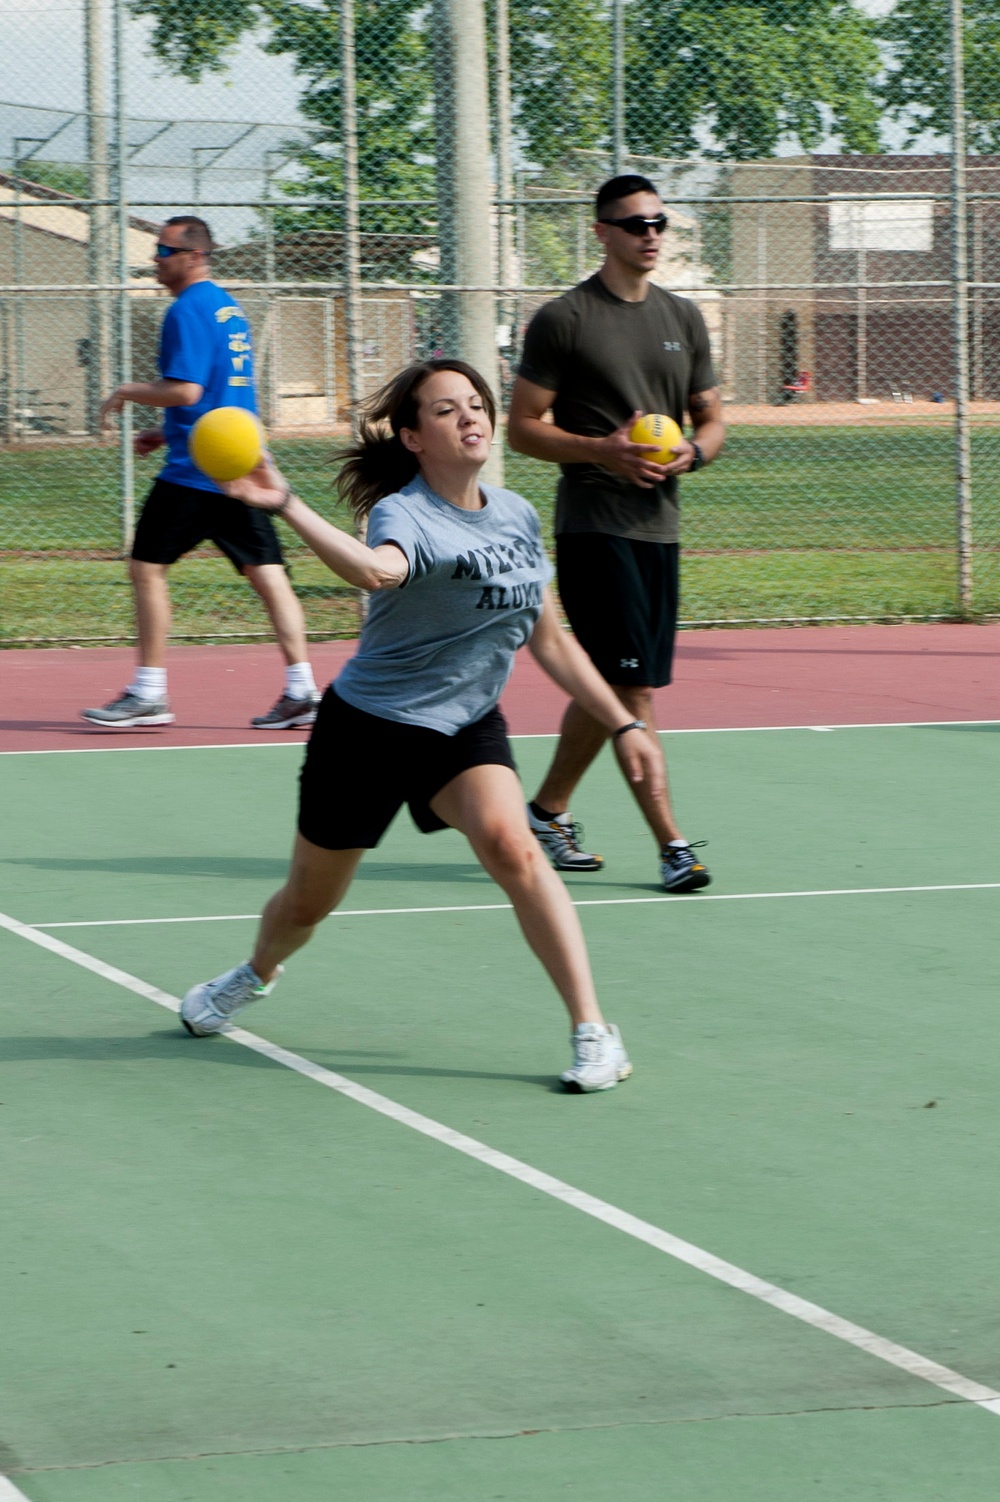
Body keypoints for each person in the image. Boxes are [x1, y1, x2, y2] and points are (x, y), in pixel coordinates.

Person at [180, 358, 666, 1091]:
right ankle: (255, 972)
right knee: (309, 902)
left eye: (475, 403)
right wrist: (286, 505)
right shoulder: (401, 513)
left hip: (464, 726)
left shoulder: (517, 516)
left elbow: (552, 641)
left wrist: (625, 727)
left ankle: (594, 1031)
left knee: (515, 849)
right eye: (445, 410)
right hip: (368, 730)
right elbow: (377, 571)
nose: (470, 416)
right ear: (413, 436)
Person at [507, 174, 727, 892]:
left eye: (659, 222)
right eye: (636, 224)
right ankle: (672, 845)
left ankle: (545, 811)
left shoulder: (683, 316)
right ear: (602, 231)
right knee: (634, 694)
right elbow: (523, 430)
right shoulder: (565, 319)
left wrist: (693, 452)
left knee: (614, 679)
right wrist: (606, 450)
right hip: (595, 525)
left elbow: (713, 420)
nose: (651, 234)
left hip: (660, 529)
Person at [82, 214, 318, 730]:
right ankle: (302, 690)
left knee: (146, 568)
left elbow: (187, 391)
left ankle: (148, 692)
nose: (155, 260)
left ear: (193, 256)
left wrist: (126, 391)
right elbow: (219, 395)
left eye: (163, 252)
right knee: (270, 576)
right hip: (241, 465)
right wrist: (167, 432)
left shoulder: (186, 309)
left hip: (196, 475)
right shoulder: (228, 309)